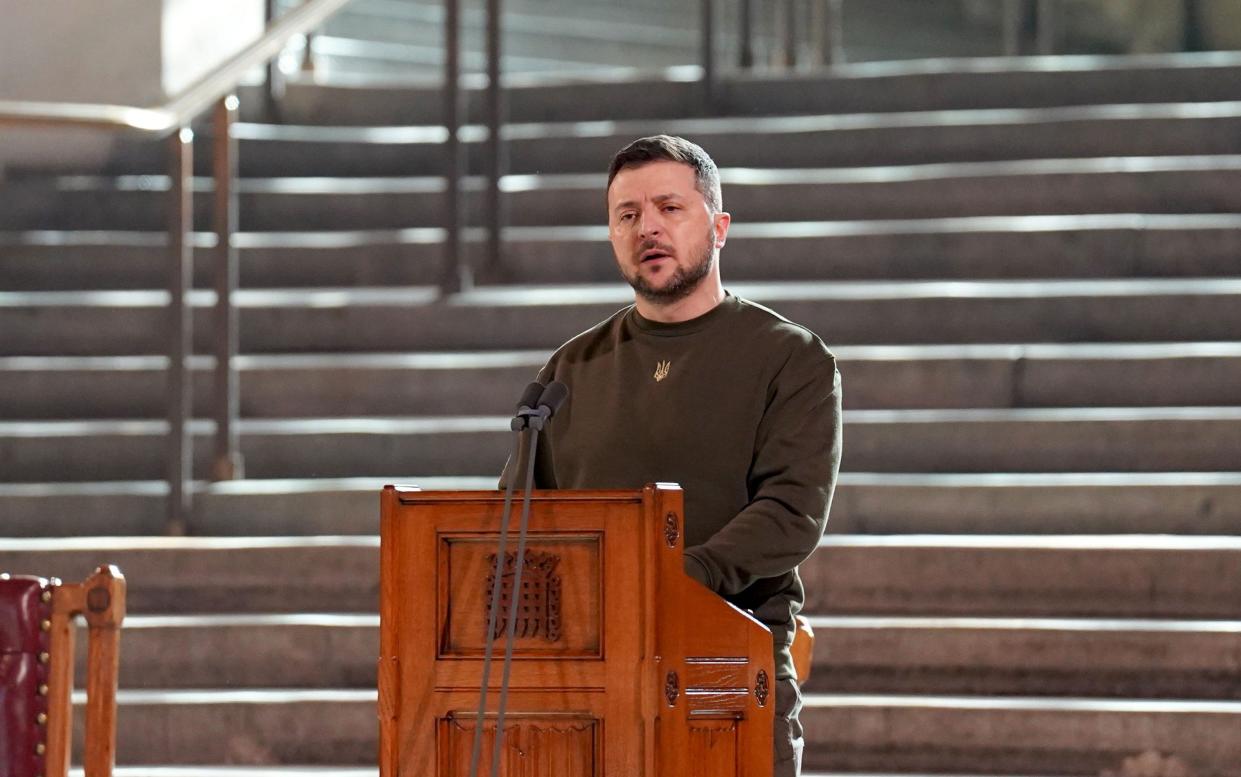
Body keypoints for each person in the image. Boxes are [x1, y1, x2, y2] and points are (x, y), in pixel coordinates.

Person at [505, 134, 842, 776]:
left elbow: (790, 513)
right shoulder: (570, 369)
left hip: (725, 666)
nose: (647, 228)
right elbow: (518, 517)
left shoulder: (789, 359)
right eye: (627, 215)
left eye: (669, 208)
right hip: (582, 676)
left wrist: (669, 584)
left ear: (719, 227)